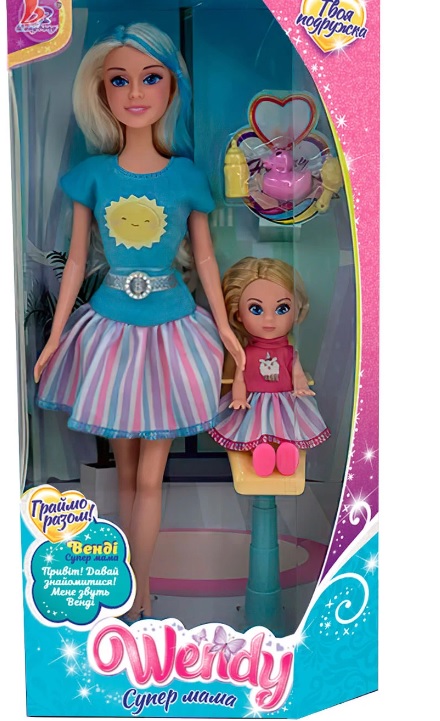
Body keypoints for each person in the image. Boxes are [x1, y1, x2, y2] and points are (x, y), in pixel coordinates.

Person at [33, 22, 244, 622]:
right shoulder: (94, 176)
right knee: (125, 474)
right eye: (119, 80)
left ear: (171, 87)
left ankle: (141, 588)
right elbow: (77, 261)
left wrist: (227, 333)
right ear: (101, 91)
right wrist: (55, 337)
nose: (134, 93)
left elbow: (207, 259)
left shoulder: (186, 177)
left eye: (150, 78)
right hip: (109, 330)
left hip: (174, 330)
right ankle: (127, 591)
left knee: (150, 478)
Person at [209, 257, 329, 477]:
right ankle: (260, 451)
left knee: (287, 427)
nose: (269, 319)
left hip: (284, 399)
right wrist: (239, 397)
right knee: (255, 428)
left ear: (296, 311)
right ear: (238, 313)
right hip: (254, 400)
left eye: (282, 308)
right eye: (256, 309)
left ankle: (286, 451)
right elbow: (240, 377)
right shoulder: (245, 353)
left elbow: (297, 373)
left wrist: (301, 387)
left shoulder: (288, 352)